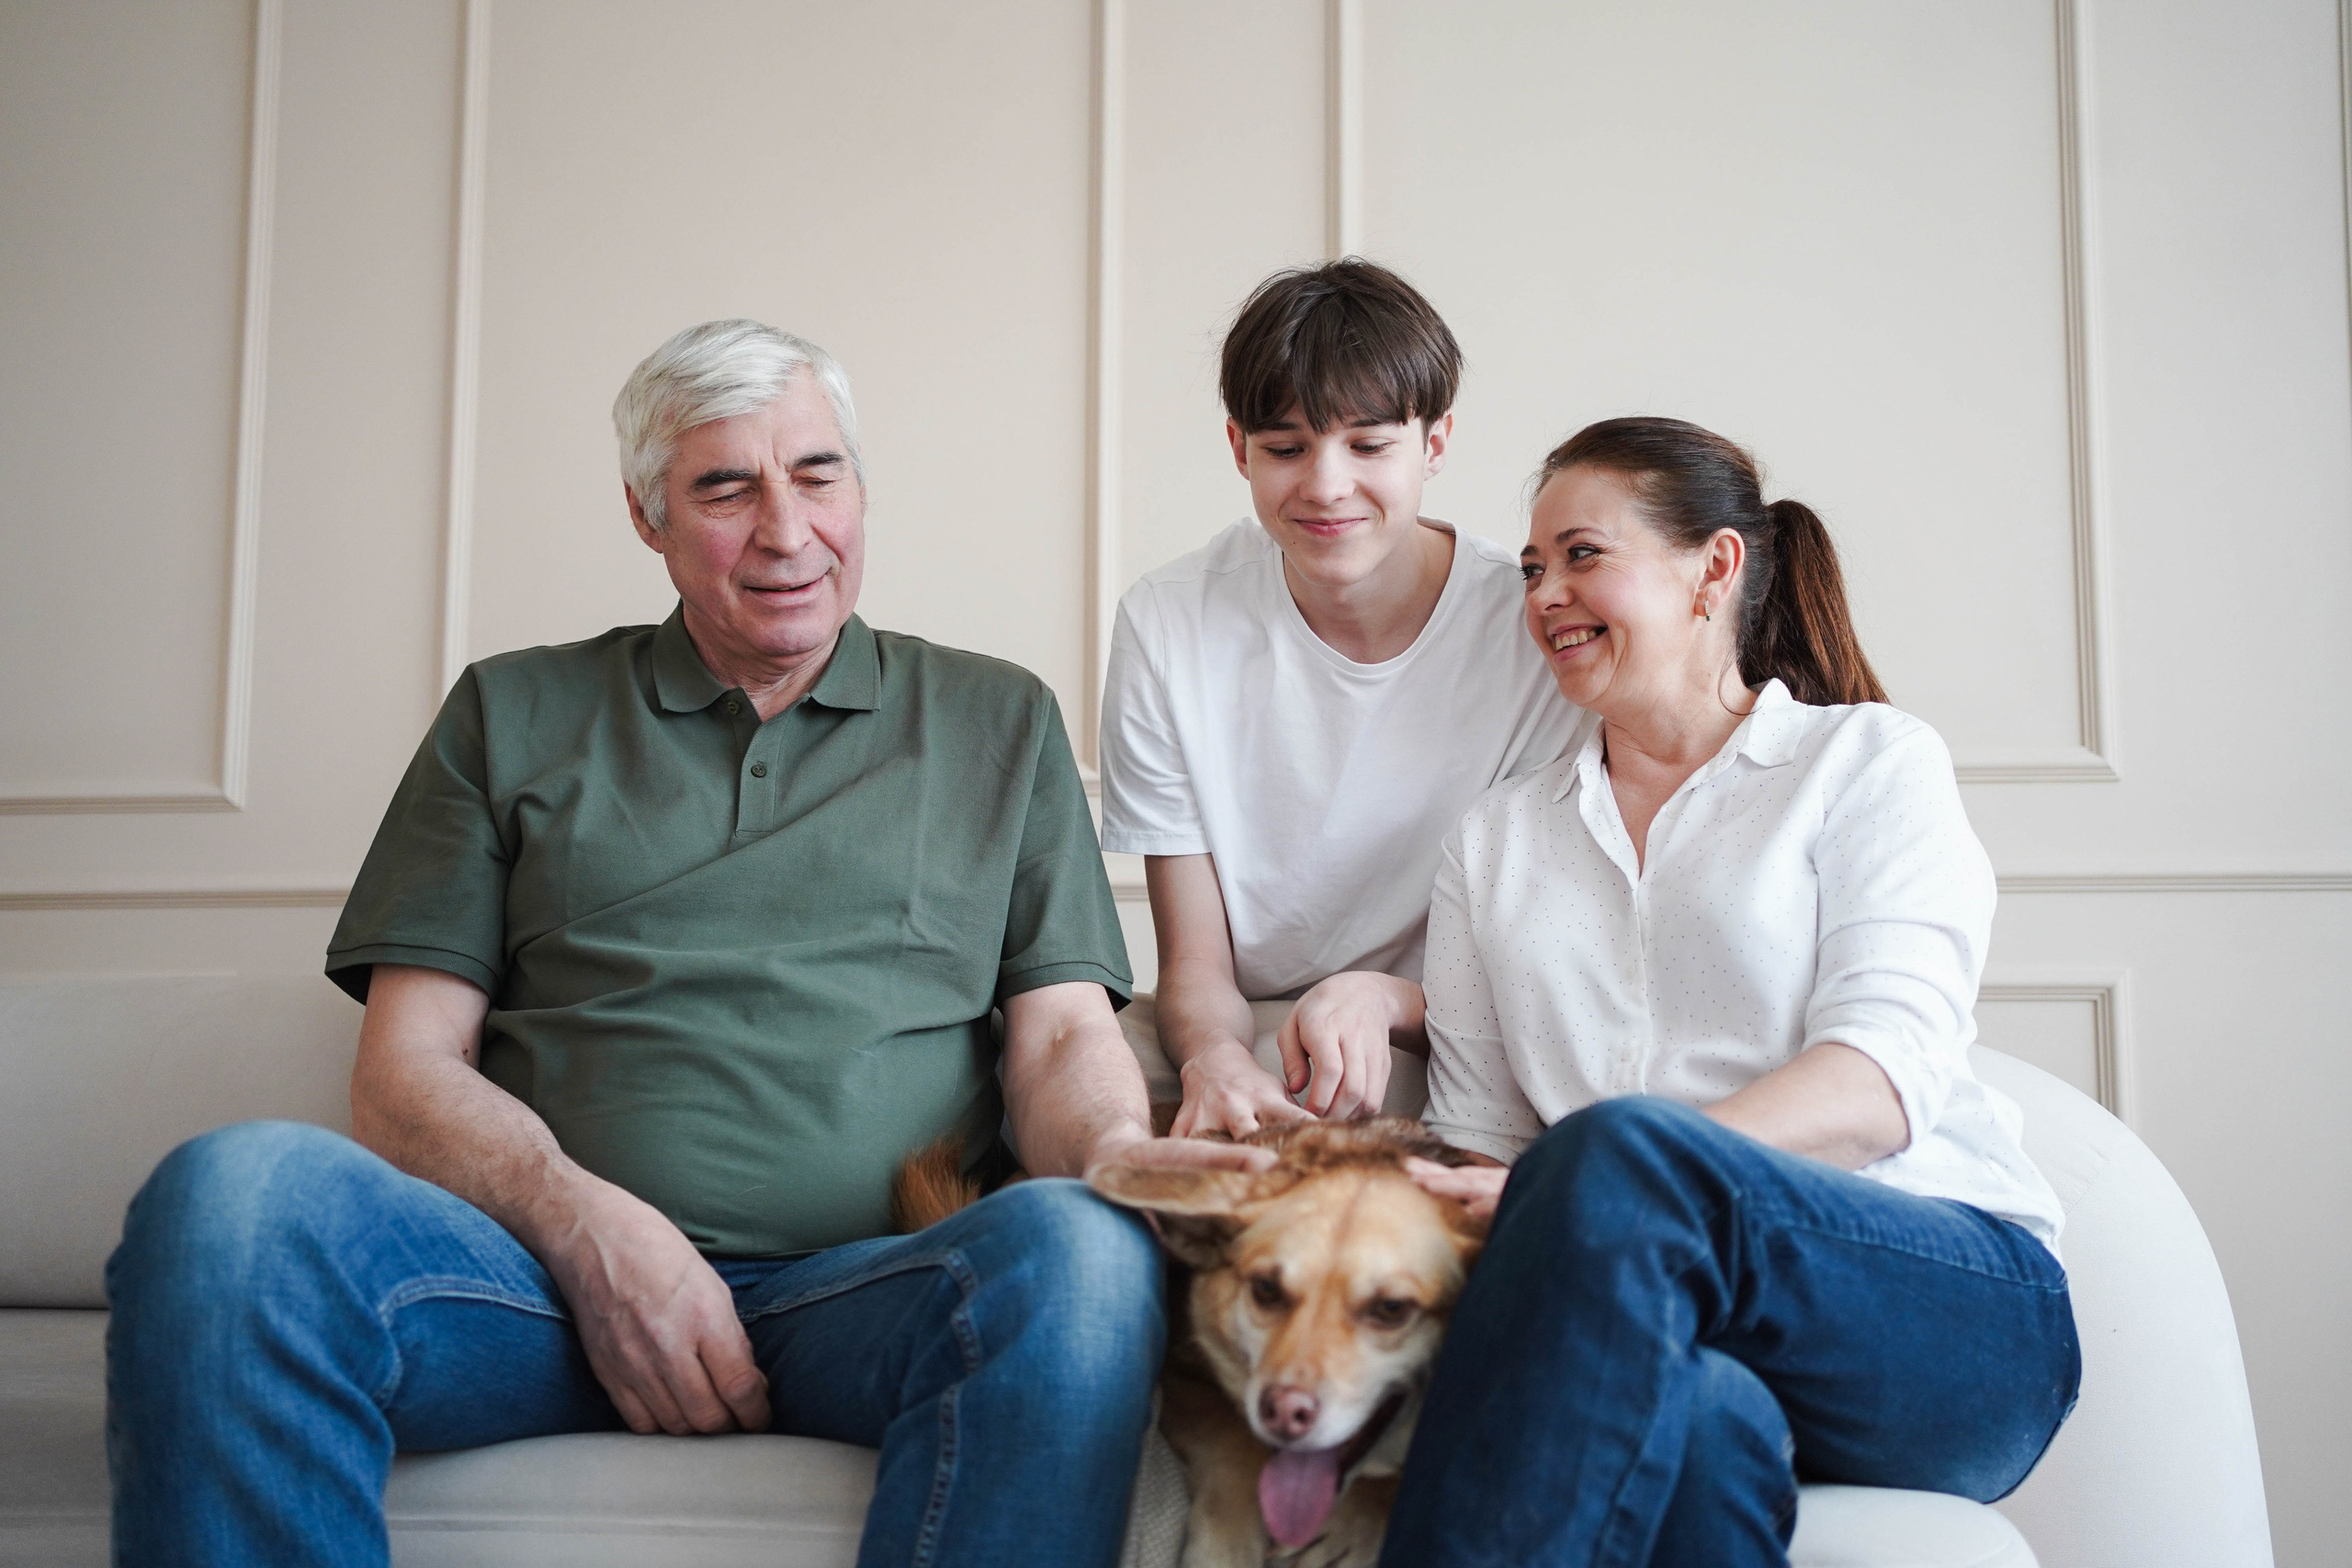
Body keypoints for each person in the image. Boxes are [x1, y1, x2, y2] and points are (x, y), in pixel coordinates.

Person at [104, 319, 1268, 1568]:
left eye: (817, 473)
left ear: (859, 489)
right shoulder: (511, 709)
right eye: (726, 486)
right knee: (231, 1200)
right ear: (645, 514)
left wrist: (1120, 1160)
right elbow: (402, 1074)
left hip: (868, 1290)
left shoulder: (996, 718)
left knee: (1078, 1255)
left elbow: (1062, 1043)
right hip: (528, 1289)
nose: (786, 528)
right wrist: (589, 1226)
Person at [1390, 417, 2077, 1566]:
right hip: (1670, 1332)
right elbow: (1482, 1152)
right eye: (1530, 569)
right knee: (1697, 1427)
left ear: (1715, 567)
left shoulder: (1864, 763)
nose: (1545, 593)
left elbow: (1877, 1081)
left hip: (1945, 1319)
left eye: (1581, 554)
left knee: (1615, 1154)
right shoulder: (1494, 844)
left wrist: (1635, 1179)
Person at [1099, 260, 1579, 1135]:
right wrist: (1216, 1063)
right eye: (1286, 449)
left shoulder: (1531, 624)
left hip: (1440, 1026)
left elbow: (1535, 957)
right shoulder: (1167, 622)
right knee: (1066, 1094)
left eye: (1368, 445)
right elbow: (1195, 964)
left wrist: (1383, 1004)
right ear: (1239, 447)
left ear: (1433, 444)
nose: (1324, 486)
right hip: (1240, 1021)